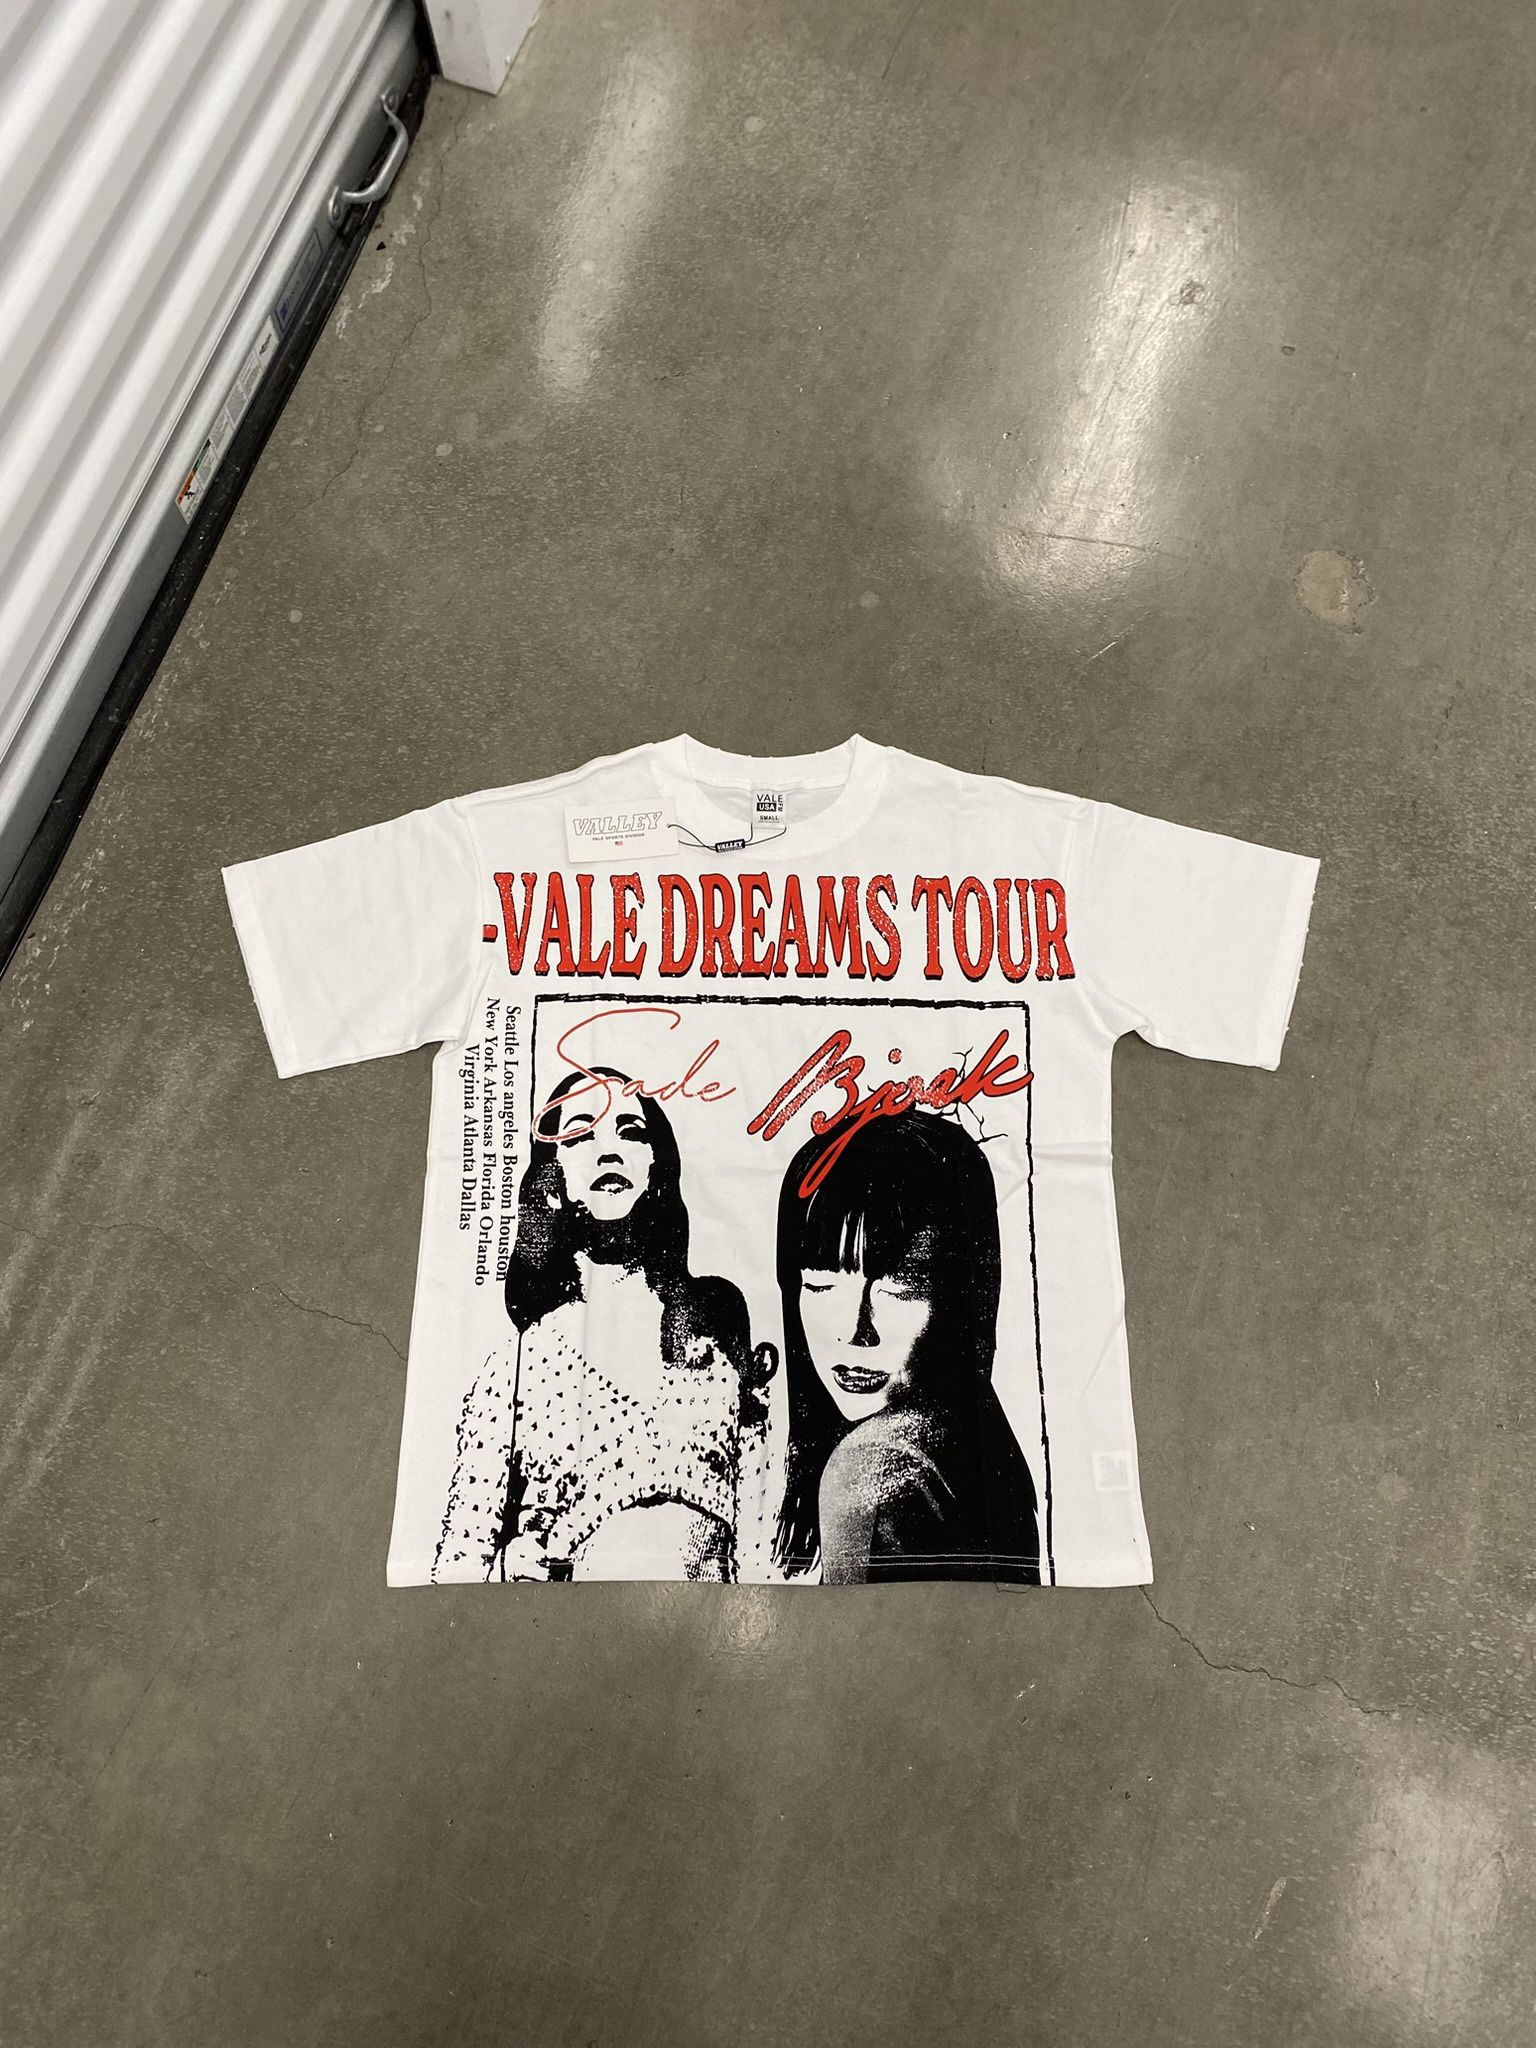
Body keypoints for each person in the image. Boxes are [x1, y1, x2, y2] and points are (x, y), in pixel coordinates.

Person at [435, 1066, 773, 1582]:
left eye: (631, 1134)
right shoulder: (515, 1370)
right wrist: (510, 1564)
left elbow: (761, 1525)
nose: (609, 1152)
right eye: (580, 1136)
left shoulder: (717, 1323)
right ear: (552, 1179)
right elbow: (458, 1562)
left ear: (658, 1166)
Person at [772, 1106, 1040, 1584]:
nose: (854, 1330)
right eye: (819, 1285)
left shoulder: (874, 1465)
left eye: (899, 1289)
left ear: (963, 1296)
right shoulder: (979, 1447)